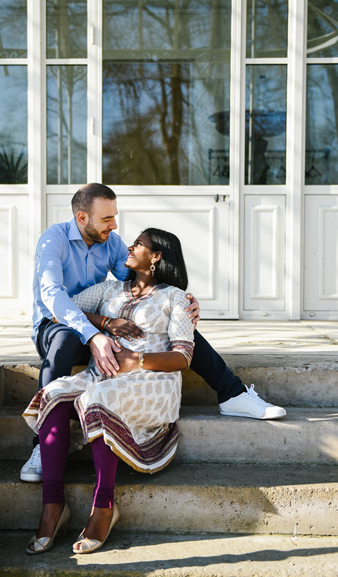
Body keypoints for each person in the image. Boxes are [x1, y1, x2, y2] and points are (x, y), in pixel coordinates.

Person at [20, 183, 285, 483]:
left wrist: (182, 302)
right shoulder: (52, 242)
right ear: (82, 218)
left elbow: (142, 277)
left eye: (114, 216)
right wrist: (101, 328)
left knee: (175, 328)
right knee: (65, 341)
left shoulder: (111, 242)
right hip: (57, 326)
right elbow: (54, 300)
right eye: (107, 219)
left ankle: (232, 393)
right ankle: (42, 445)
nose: (114, 225)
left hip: (101, 327)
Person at [22, 227, 192, 555]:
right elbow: (61, 308)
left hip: (152, 380)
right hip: (100, 375)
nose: (129, 245)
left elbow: (183, 356)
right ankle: (53, 505)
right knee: (55, 392)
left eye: (139, 244)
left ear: (156, 256)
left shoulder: (174, 297)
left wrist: (137, 359)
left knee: (97, 398)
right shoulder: (110, 289)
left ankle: (104, 508)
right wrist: (104, 322)